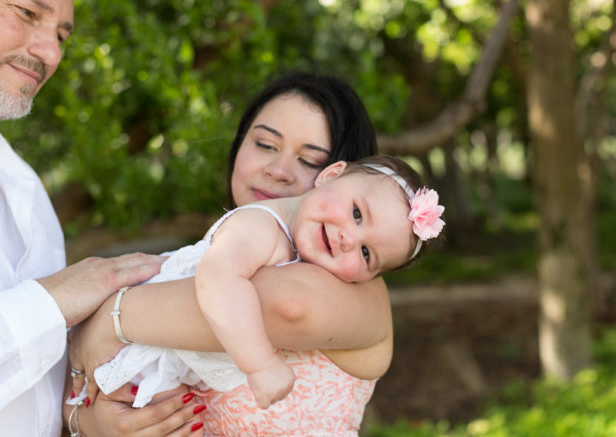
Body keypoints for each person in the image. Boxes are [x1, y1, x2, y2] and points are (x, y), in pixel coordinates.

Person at [67, 72, 406, 436]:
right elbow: (79, 385)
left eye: (309, 160)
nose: (277, 171)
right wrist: (85, 422)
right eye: (264, 144)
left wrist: (110, 319)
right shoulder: (189, 263)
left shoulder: (361, 284)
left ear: (343, 175)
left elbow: (287, 305)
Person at [71, 155, 444, 412]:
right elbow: (218, 279)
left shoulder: (308, 253)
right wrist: (260, 363)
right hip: (136, 355)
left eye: (366, 255)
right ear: (330, 175)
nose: (349, 238)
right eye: (357, 213)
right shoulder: (261, 226)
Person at [0, 0, 207, 435]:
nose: (50, 53)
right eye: (28, 13)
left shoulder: (27, 191)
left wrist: (83, 420)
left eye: (60, 35)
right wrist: (55, 300)